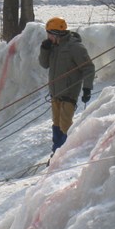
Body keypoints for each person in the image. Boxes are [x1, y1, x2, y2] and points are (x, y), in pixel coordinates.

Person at [38, 16, 95, 158]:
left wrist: (87, 88)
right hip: (55, 93)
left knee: (65, 126)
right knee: (56, 124)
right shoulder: (54, 47)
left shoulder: (74, 47)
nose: (48, 37)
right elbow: (44, 64)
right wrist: (45, 50)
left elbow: (88, 68)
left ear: (57, 34)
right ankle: (56, 153)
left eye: (50, 34)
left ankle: (65, 156)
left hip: (69, 93)